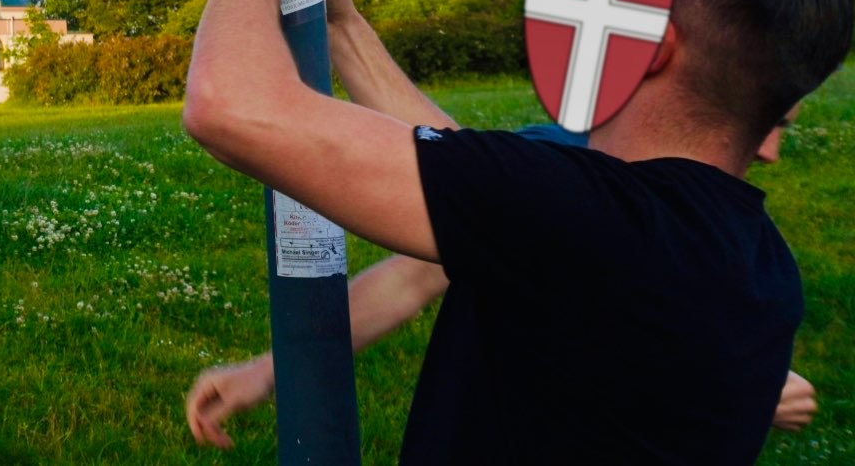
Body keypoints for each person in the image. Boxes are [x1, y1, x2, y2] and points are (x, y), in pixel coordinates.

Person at [181, 0, 853, 463]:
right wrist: (345, 29)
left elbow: (229, 105)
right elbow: (466, 179)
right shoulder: (759, 268)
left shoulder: (580, 214)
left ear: (653, 48)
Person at [185, 115, 820, 449]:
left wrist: (745, 382)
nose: (770, 152)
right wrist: (269, 368)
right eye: (775, 123)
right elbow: (408, 281)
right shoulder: (558, 169)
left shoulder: (736, 248)